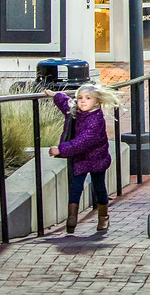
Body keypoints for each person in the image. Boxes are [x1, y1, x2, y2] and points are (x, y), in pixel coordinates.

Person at [47, 83, 118, 233]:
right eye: (80, 98)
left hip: (96, 158)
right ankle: (72, 216)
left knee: (99, 186)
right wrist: (56, 95)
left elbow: (83, 142)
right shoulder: (77, 111)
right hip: (81, 158)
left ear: (97, 102)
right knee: (76, 186)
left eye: (87, 98)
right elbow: (67, 104)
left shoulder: (96, 120)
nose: (83, 101)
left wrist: (60, 150)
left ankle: (103, 216)